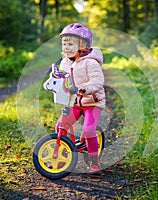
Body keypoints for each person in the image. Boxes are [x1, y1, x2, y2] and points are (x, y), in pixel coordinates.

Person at [56, 23, 105, 176]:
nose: (66, 47)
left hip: (92, 101)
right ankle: (63, 157)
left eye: (70, 44)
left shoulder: (91, 62)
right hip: (75, 102)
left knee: (89, 130)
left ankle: (94, 161)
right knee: (61, 126)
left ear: (82, 45)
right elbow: (62, 79)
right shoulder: (65, 62)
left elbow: (97, 81)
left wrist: (85, 88)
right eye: (64, 44)